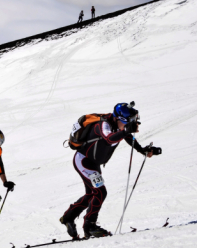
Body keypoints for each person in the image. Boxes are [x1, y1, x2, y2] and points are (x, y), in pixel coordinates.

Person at [60, 102, 161, 239]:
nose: (131, 124)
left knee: (92, 194)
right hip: (83, 162)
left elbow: (127, 136)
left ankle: (68, 217)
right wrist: (125, 130)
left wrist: (142, 150)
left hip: (93, 164)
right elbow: (108, 139)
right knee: (100, 192)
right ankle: (89, 226)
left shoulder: (118, 125)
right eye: (129, 122)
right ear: (118, 118)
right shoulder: (103, 125)